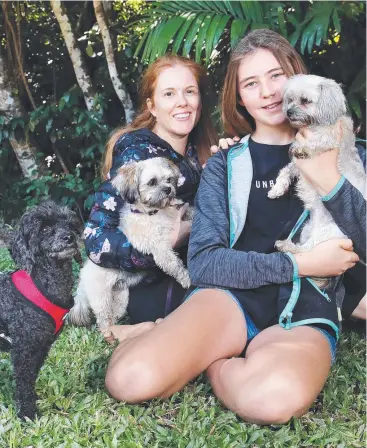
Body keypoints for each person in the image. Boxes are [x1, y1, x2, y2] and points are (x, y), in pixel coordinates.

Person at [104, 30, 366, 424]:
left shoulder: (350, 154)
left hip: (305, 308)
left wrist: (330, 181)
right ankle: (190, 340)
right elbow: (206, 264)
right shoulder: (224, 165)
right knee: (129, 380)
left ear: (296, 75)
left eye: (276, 75)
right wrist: (300, 264)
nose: (269, 92)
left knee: (273, 401)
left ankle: (214, 362)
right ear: (240, 98)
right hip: (228, 300)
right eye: (251, 83)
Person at [82, 54, 218, 331]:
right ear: (152, 106)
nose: (182, 101)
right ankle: (121, 332)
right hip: (149, 285)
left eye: (189, 91)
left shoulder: (197, 150)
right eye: (169, 93)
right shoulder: (138, 153)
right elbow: (96, 240)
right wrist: (163, 244)